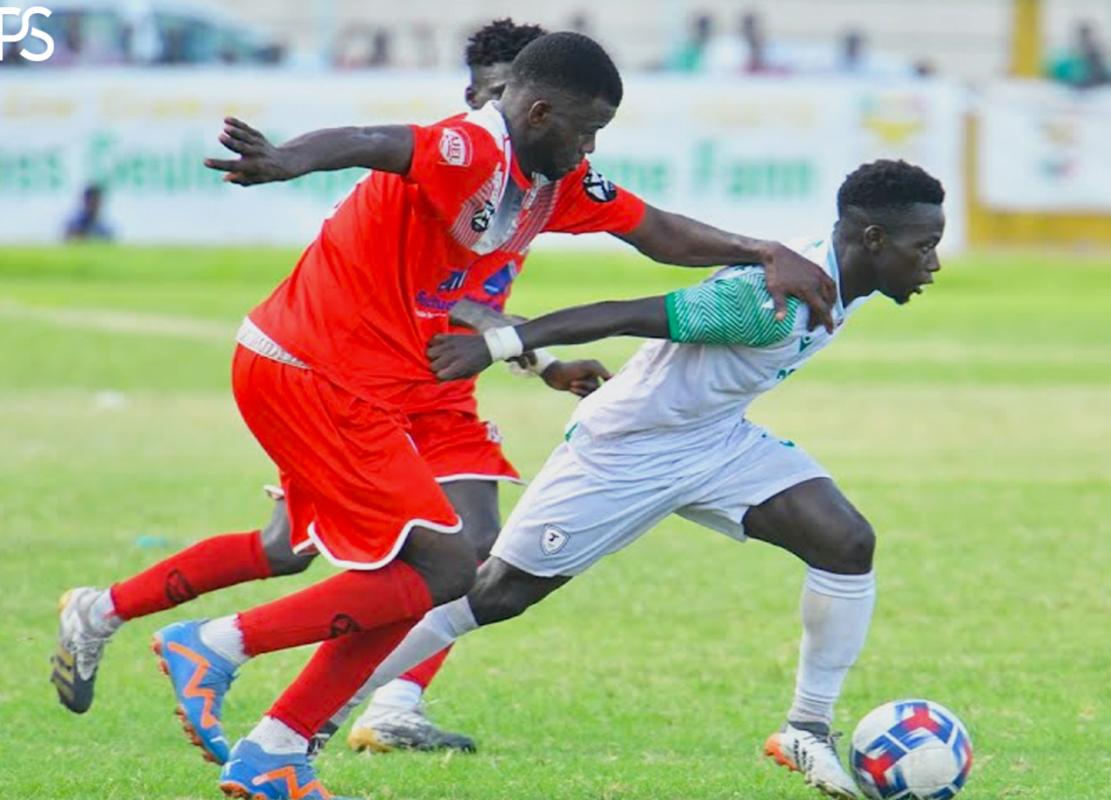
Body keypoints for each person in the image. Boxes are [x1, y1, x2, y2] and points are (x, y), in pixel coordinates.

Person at [71, 30, 837, 799]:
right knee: (424, 564)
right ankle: (215, 645)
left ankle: (276, 748)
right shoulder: (469, 148)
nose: (593, 145)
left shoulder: (554, 177)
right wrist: (285, 161)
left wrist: (764, 249)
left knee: (435, 562)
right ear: (536, 111)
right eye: (588, 127)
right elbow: (373, 141)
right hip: (316, 370)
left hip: (385, 382)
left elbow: (653, 230)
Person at [51, 19, 599, 758]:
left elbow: (473, 298)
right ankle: (112, 613)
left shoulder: (533, 180)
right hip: (350, 376)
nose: (506, 104)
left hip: (432, 391)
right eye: (497, 91)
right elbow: (427, 271)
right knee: (291, 551)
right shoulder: (451, 157)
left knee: (464, 550)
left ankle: (379, 707)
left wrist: (538, 358)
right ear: (481, 94)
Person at [331, 159, 946, 799]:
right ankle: (326, 708)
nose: (932, 264)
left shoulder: (840, 284)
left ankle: (806, 729)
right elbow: (621, 312)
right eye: (924, 248)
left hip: (714, 440)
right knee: (494, 596)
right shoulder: (767, 300)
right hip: (625, 450)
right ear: (873, 240)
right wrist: (496, 348)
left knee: (845, 542)